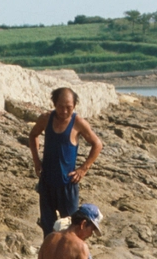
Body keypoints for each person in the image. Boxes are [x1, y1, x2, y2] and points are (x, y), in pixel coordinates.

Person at [28, 87, 103, 236]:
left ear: (74, 105)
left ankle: (68, 257)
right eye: (60, 107)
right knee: (47, 226)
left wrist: (83, 169)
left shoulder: (78, 122)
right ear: (54, 103)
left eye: (68, 107)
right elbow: (33, 135)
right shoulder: (46, 118)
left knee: (70, 226)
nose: (64, 111)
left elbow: (97, 144)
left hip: (67, 184)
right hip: (47, 181)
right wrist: (36, 161)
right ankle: (48, 257)